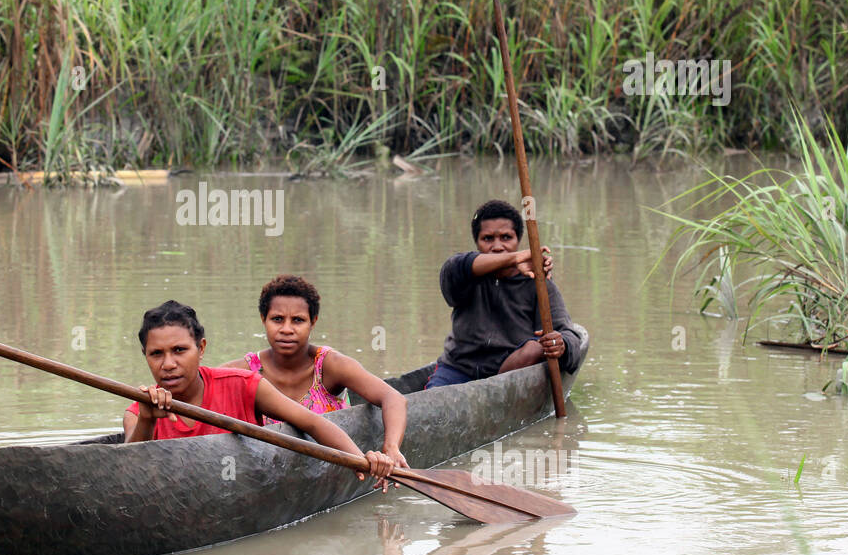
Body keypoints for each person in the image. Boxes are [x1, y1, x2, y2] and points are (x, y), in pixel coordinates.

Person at [125, 300, 395, 487]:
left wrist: (359, 461)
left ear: (201, 348)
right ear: (145, 356)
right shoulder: (139, 409)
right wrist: (148, 419)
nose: (168, 364)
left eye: (180, 350)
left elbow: (311, 422)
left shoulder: (242, 384)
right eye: (156, 354)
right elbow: (128, 471)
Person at [220, 274, 409, 473]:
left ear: (313, 322)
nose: (286, 329)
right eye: (277, 319)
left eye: (298, 320)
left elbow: (393, 398)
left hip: (335, 465)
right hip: (268, 470)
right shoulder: (244, 371)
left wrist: (391, 448)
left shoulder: (329, 365)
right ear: (263, 320)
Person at [425, 199, 583, 388]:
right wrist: (515, 258)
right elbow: (454, 266)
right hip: (458, 369)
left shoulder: (539, 285)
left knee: (535, 347)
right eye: (488, 238)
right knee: (433, 400)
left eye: (506, 238)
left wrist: (560, 344)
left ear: (518, 240)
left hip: (511, 373)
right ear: (477, 243)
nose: (497, 246)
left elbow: (570, 336)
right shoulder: (463, 275)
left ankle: (492, 392)